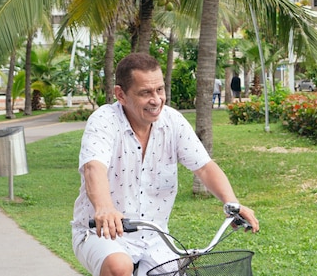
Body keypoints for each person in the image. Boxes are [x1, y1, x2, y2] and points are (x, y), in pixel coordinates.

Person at [71, 53, 259, 276]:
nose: (156, 99)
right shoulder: (104, 121)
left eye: (159, 90)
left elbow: (205, 167)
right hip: (100, 233)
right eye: (145, 93)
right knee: (118, 266)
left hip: (155, 239)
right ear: (121, 95)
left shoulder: (173, 122)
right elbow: (94, 167)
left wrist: (233, 204)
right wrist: (104, 207)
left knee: (177, 270)